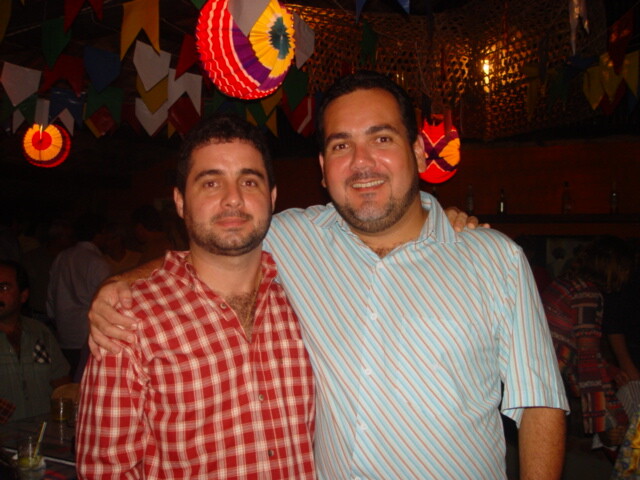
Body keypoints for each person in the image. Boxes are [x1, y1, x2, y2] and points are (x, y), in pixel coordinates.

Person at [88, 71, 568, 479]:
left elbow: (541, 405)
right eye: (342, 145)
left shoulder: (495, 260)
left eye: (381, 138)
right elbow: (220, 235)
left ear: (420, 151)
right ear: (322, 168)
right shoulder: (295, 238)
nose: (361, 162)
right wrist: (121, 282)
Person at [75, 114, 316, 479]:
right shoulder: (128, 319)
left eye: (249, 181)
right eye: (211, 183)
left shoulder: (309, 297)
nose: (233, 198)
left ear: (272, 197)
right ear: (180, 201)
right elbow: (106, 470)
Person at [542, 235, 633, 448]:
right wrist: (606, 422)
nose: (628, 275)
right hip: (547, 378)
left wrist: (609, 369)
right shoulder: (586, 294)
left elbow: (577, 345)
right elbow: (587, 361)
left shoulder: (567, 282)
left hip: (537, 370)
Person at [0, 260, 71, 421]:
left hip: (42, 429)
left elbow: (62, 384)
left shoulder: (40, 332)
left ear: (23, 295)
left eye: (3, 288)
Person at [47, 213, 111, 379]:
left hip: (64, 334)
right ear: (99, 233)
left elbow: (51, 296)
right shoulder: (97, 262)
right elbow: (107, 304)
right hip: (87, 338)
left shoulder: (62, 257)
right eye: (106, 232)